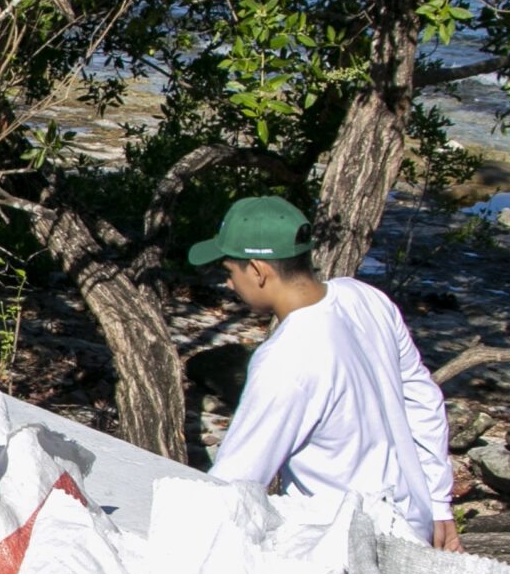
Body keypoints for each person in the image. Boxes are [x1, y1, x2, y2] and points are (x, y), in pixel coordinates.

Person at [189, 195, 461, 551]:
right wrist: (439, 505)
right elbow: (424, 401)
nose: (228, 284)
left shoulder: (286, 359)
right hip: (412, 522)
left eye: (229, 272)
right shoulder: (366, 298)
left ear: (257, 271)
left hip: (347, 547)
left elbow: (236, 481)